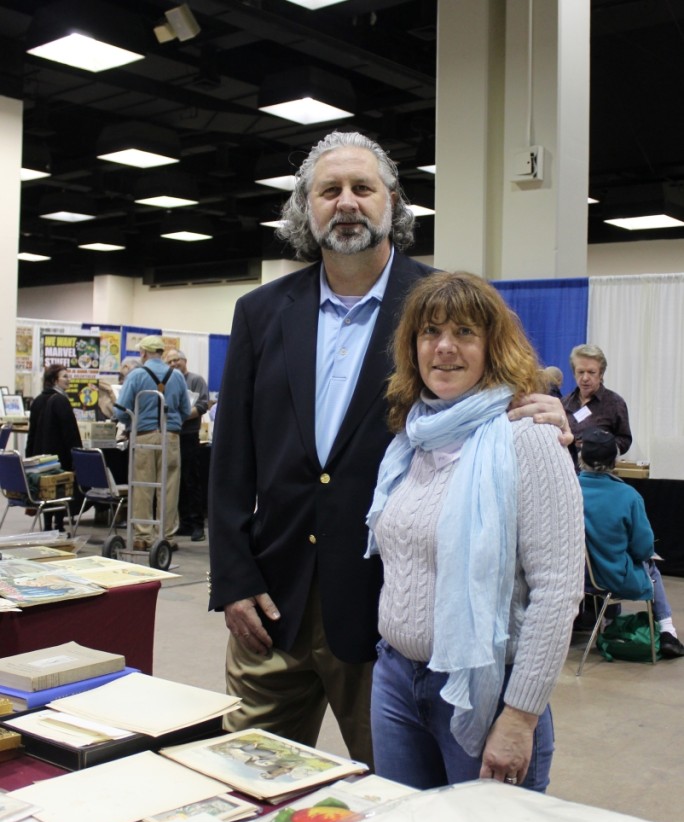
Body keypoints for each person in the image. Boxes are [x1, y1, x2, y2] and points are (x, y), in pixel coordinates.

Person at [208, 130, 571, 767]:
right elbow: (232, 459)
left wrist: (544, 407)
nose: (346, 203)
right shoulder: (261, 311)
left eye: (362, 188)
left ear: (392, 203)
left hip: (383, 612)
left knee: (393, 804)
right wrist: (233, 576)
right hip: (270, 602)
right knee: (246, 775)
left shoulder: (437, 308)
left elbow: (501, 392)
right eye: (329, 190)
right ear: (306, 208)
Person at [366, 272, 585, 791]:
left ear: (492, 347)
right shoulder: (412, 438)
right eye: (430, 331)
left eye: (465, 332)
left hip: (486, 693)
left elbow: (558, 591)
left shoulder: (528, 437)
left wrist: (521, 716)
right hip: (396, 682)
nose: (444, 347)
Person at [579, 427, 684, 658]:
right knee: (650, 565)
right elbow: (643, 548)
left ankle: (607, 620)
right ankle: (668, 631)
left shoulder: (569, 488)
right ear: (614, 461)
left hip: (576, 579)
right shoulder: (628, 496)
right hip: (613, 578)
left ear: (581, 457)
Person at [114, 337, 190, 552]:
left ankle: (143, 535)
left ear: (143, 354)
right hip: (171, 437)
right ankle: (166, 535)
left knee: (142, 487)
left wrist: (132, 423)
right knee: (169, 487)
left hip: (144, 436)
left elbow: (121, 410)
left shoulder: (136, 375)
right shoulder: (176, 376)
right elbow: (185, 409)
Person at [26, 363, 82, 530]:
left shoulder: (37, 400)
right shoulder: (62, 401)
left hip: (40, 457)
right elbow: (70, 432)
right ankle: (59, 526)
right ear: (54, 380)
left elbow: (32, 432)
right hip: (59, 457)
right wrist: (76, 456)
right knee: (60, 491)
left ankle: (47, 525)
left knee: (45, 491)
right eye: (64, 376)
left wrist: (29, 456)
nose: (68, 380)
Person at [164, 348, 209, 542]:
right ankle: (184, 523)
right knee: (176, 481)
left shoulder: (196, 380)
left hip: (189, 435)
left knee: (191, 480)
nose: (174, 364)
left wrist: (180, 415)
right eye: (170, 362)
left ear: (185, 360)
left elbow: (202, 406)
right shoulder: (167, 381)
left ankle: (198, 525)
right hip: (172, 434)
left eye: (176, 360)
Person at [562, 344, 632, 462]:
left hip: (598, 472)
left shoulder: (615, 403)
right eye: (580, 372)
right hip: (567, 473)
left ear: (601, 374)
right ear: (574, 373)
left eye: (591, 372)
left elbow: (625, 440)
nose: (585, 378)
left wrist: (601, 448)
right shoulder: (564, 403)